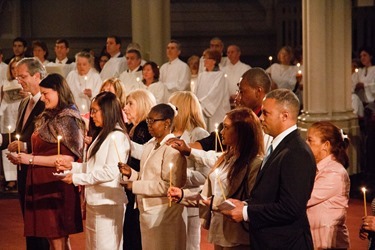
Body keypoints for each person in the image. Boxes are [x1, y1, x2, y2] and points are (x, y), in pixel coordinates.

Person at [221, 89, 316, 250]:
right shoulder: (280, 147)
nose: (260, 118)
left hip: (286, 243)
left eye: (266, 113)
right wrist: (244, 203)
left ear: (284, 116)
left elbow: (290, 208)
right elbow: (270, 195)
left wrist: (246, 212)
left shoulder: (297, 153)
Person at [7, 73, 84, 249]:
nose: (42, 98)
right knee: (51, 239)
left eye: (45, 93)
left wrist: (30, 159)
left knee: (58, 239)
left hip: (55, 184)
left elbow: (67, 158)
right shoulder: (48, 115)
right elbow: (43, 147)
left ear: (58, 91)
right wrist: (23, 155)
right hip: (42, 182)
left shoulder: (67, 117)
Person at [168, 107, 263, 249]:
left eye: (226, 128)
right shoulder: (225, 158)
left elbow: (252, 202)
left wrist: (214, 202)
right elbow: (206, 196)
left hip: (237, 235)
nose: (222, 132)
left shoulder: (254, 163)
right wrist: (183, 195)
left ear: (240, 132)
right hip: (218, 230)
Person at [56, 91, 130, 250]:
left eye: (95, 111)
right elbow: (94, 166)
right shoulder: (104, 134)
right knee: (93, 245)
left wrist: (76, 179)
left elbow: (111, 172)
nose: (92, 115)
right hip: (96, 201)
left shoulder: (116, 137)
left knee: (105, 246)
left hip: (108, 203)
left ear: (108, 111)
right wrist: (72, 167)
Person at [119, 103, 187, 250]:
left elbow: (168, 186)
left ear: (167, 123)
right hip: (147, 212)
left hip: (164, 215)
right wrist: (132, 174)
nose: (148, 125)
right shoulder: (151, 145)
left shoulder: (173, 149)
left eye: (152, 121)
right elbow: (148, 176)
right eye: (147, 121)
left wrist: (134, 186)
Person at [0, 57, 50, 250]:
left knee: (42, 226)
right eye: (16, 76)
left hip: (40, 172)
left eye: (23, 76)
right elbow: (19, 134)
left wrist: (25, 147)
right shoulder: (24, 102)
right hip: (24, 171)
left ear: (37, 76)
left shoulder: (48, 104)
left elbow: (50, 139)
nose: (18, 80)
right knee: (29, 224)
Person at [191, 67, 272, 152]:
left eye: (241, 92)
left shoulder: (266, 122)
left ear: (258, 92)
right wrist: (187, 148)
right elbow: (211, 142)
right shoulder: (237, 118)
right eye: (237, 92)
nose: (237, 98)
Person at [169, 91, 209, 250]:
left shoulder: (198, 133)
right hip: (171, 200)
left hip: (189, 200)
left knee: (190, 246)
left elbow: (205, 175)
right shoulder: (170, 133)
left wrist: (181, 175)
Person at [306, 121, 350, 249]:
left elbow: (304, 198)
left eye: (310, 140)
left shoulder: (335, 172)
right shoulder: (316, 168)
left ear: (325, 145)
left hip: (327, 243)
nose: (306, 144)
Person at [122, 89, 156, 250]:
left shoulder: (143, 129)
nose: (125, 108)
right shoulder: (135, 128)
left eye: (130, 104)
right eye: (125, 103)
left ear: (143, 105)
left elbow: (147, 157)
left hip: (139, 191)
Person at [0, 57, 25, 191]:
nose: (15, 70)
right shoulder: (5, 82)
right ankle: (10, 179)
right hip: (8, 115)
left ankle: (20, 175)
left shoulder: (24, 82)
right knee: (8, 144)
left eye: (17, 67)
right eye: (13, 68)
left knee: (20, 143)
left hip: (19, 114)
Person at [194, 49, 230, 132]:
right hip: (201, 110)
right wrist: (195, 102)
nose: (204, 61)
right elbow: (196, 92)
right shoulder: (201, 75)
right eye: (204, 58)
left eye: (207, 58)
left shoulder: (220, 75)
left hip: (216, 111)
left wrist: (200, 102)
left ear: (214, 61)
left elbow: (215, 93)